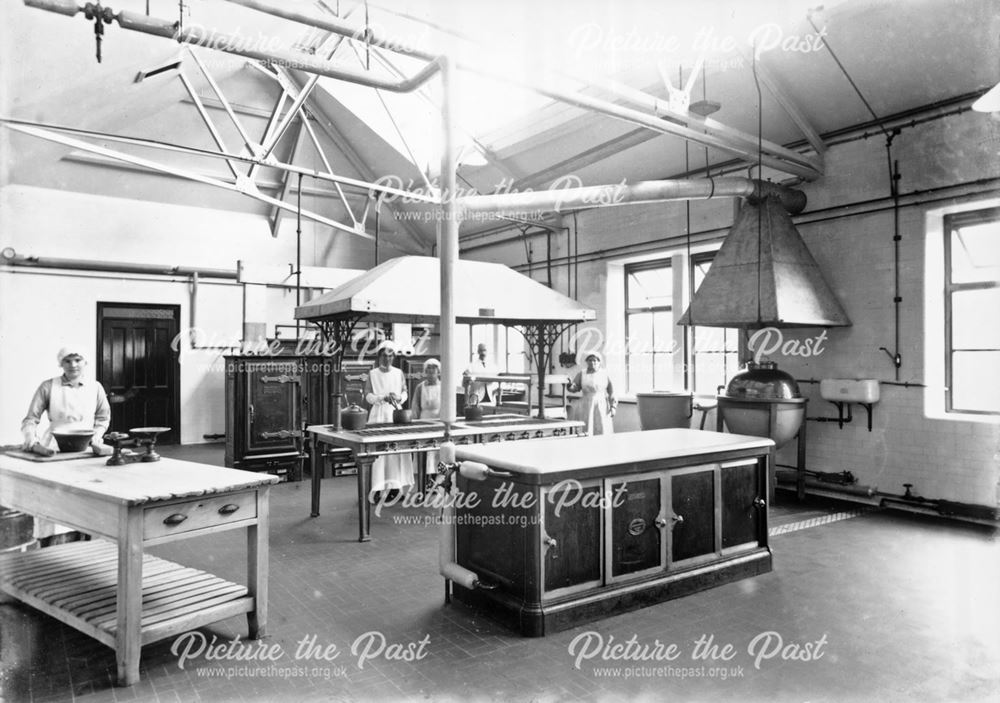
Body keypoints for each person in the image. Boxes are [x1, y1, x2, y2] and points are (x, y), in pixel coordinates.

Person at [21, 345, 112, 456]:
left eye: (78, 360)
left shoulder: (95, 387)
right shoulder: (48, 386)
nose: (73, 365)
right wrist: (31, 440)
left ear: (85, 362)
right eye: (67, 361)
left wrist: (96, 436)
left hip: (86, 448)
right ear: (61, 363)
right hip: (54, 447)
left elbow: (103, 418)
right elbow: (30, 419)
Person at [363, 340, 414, 501]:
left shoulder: (398, 373)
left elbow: (405, 392)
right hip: (378, 414)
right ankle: (376, 490)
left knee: (395, 452)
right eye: (384, 356)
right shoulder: (372, 374)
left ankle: (395, 489)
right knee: (379, 454)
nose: (387, 359)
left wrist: (399, 397)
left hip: (395, 414)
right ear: (379, 357)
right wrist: (381, 397)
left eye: (390, 356)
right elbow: (368, 396)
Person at [568, 351, 617, 436]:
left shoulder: (605, 374)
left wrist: (613, 407)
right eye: (589, 360)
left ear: (599, 362)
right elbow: (575, 388)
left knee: (601, 427)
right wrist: (569, 385)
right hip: (585, 405)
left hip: (601, 405)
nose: (592, 362)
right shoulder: (581, 374)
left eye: (595, 360)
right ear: (586, 362)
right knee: (586, 427)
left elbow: (612, 392)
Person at [413, 358, 441, 490]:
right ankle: (425, 481)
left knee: (436, 452)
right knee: (425, 452)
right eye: (428, 370)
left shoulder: (443, 387)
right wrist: (415, 423)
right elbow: (415, 406)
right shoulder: (420, 387)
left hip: (438, 422)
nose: (431, 372)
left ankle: (434, 481)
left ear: (438, 372)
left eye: (433, 369)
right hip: (423, 421)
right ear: (425, 372)